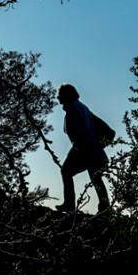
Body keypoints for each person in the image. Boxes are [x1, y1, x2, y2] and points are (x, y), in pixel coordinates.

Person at [55, 83, 111, 214]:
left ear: (67, 95)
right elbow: (107, 129)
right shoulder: (83, 107)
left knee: (66, 172)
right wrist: (100, 145)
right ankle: (105, 208)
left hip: (83, 149)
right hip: (94, 150)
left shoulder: (72, 107)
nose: (58, 97)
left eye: (60, 94)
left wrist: (76, 148)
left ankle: (69, 205)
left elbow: (78, 129)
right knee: (96, 176)